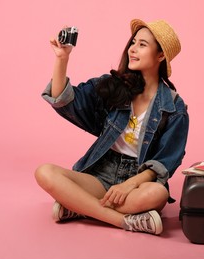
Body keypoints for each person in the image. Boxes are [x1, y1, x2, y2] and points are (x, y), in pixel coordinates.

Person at [34, 19, 189, 235]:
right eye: (133, 42)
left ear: (160, 55)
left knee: (157, 195)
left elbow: (165, 162)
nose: (132, 49)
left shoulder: (174, 107)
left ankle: (78, 206)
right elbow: (65, 101)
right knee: (45, 172)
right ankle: (124, 221)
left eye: (142, 45)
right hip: (100, 174)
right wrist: (62, 58)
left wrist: (129, 185)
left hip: (138, 179)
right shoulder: (113, 86)